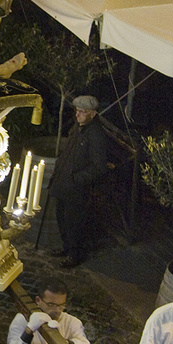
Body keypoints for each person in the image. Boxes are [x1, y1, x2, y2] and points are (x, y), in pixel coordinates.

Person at [48, 94, 108, 268]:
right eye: (77, 111)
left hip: (76, 188)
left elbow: (99, 167)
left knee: (74, 222)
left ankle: (75, 254)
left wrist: (77, 179)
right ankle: (66, 248)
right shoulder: (78, 128)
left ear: (92, 114)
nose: (78, 114)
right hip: (64, 182)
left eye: (83, 112)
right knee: (62, 218)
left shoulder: (95, 135)